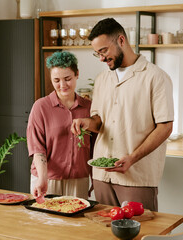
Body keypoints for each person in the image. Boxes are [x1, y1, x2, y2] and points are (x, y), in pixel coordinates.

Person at [71, 18, 174, 211]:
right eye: (97, 54)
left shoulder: (155, 77)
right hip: (102, 176)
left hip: (136, 177)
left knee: (140, 233)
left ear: (121, 40)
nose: (101, 58)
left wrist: (132, 158)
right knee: (103, 233)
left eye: (104, 51)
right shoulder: (102, 79)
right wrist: (87, 123)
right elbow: (99, 120)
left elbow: (165, 127)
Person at [27, 51, 93, 200]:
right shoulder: (41, 107)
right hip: (48, 178)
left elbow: (95, 147)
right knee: (46, 222)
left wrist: (95, 178)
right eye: (56, 80)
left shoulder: (89, 107)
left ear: (77, 74)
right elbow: (37, 148)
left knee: (76, 222)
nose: (62, 85)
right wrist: (43, 179)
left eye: (67, 79)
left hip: (79, 179)